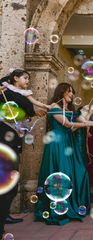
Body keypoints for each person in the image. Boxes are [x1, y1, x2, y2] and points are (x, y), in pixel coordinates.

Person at [34, 83, 93, 225]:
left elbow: (78, 124)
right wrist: (90, 123)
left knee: (78, 171)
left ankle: (71, 203)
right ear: (61, 92)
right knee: (59, 172)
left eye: (72, 92)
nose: (72, 94)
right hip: (56, 143)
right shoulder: (54, 107)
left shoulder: (70, 110)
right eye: (69, 92)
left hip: (67, 142)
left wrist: (92, 121)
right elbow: (66, 124)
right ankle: (58, 208)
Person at [0, 70, 46, 238]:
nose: (28, 80)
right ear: (15, 79)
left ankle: (3, 218)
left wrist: (34, 113)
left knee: (9, 188)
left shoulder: (14, 95)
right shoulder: (4, 89)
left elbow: (24, 109)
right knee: (7, 188)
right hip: (3, 143)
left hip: (11, 144)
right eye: (25, 77)